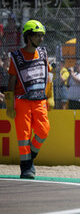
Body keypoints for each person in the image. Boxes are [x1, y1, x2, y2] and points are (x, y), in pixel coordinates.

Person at [5, 20, 54, 179]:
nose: (41, 39)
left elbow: (49, 76)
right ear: (28, 36)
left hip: (40, 100)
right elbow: (11, 81)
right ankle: (26, 167)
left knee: (44, 130)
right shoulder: (16, 57)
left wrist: (51, 96)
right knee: (23, 135)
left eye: (42, 36)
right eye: (37, 35)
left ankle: (30, 156)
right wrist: (9, 105)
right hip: (22, 101)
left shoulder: (44, 53)